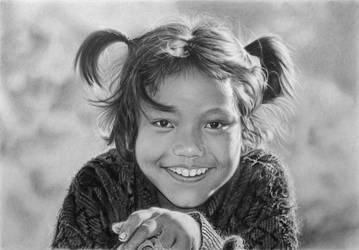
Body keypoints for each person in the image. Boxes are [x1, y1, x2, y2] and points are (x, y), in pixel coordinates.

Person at [51, 17, 298, 250]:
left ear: (243, 131)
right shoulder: (99, 186)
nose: (189, 147)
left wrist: (202, 241)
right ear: (129, 131)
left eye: (214, 125)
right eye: (163, 123)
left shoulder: (260, 183)